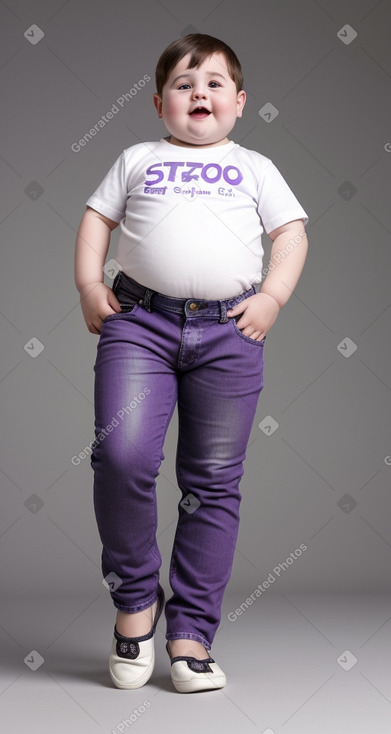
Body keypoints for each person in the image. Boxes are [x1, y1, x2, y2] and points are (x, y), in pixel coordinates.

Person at [74, 32, 309, 693]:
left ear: (238, 102)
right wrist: (91, 286)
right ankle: (134, 602)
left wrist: (272, 296)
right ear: (158, 103)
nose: (197, 92)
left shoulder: (255, 166)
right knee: (120, 456)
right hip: (139, 325)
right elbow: (96, 219)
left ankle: (191, 634)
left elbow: (290, 233)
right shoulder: (137, 158)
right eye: (182, 83)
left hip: (230, 333)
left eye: (212, 83)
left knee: (210, 482)